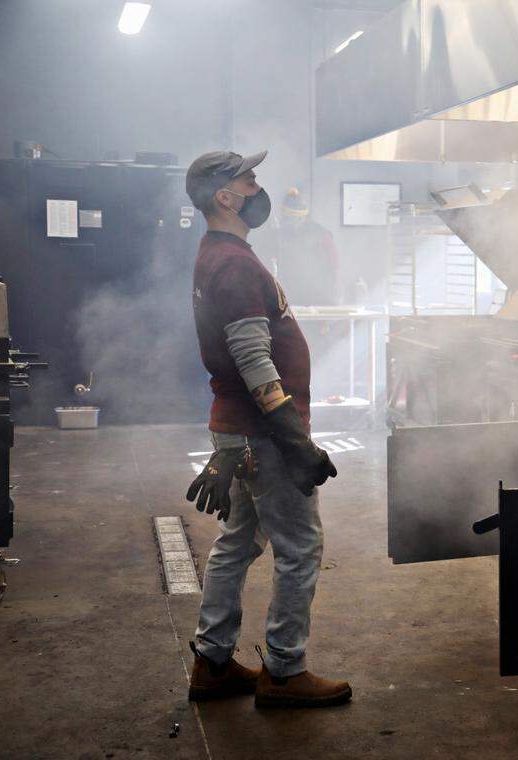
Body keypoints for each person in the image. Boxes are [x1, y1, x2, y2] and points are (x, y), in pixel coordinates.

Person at [181, 149, 349, 709]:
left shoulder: (218, 255)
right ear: (225, 197)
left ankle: (213, 662)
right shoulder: (234, 265)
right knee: (300, 547)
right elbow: (254, 361)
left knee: (238, 542)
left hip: (241, 432)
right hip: (263, 435)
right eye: (248, 180)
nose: (259, 187)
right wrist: (295, 440)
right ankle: (284, 671)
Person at [270, 188, 340, 306]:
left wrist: (333, 285)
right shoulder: (280, 233)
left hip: (316, 290)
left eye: (290, 216)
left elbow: (333, 263)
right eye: (286, 216)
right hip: (288, 290)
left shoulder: (320, 234)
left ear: (301, 216)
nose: (287, 219)